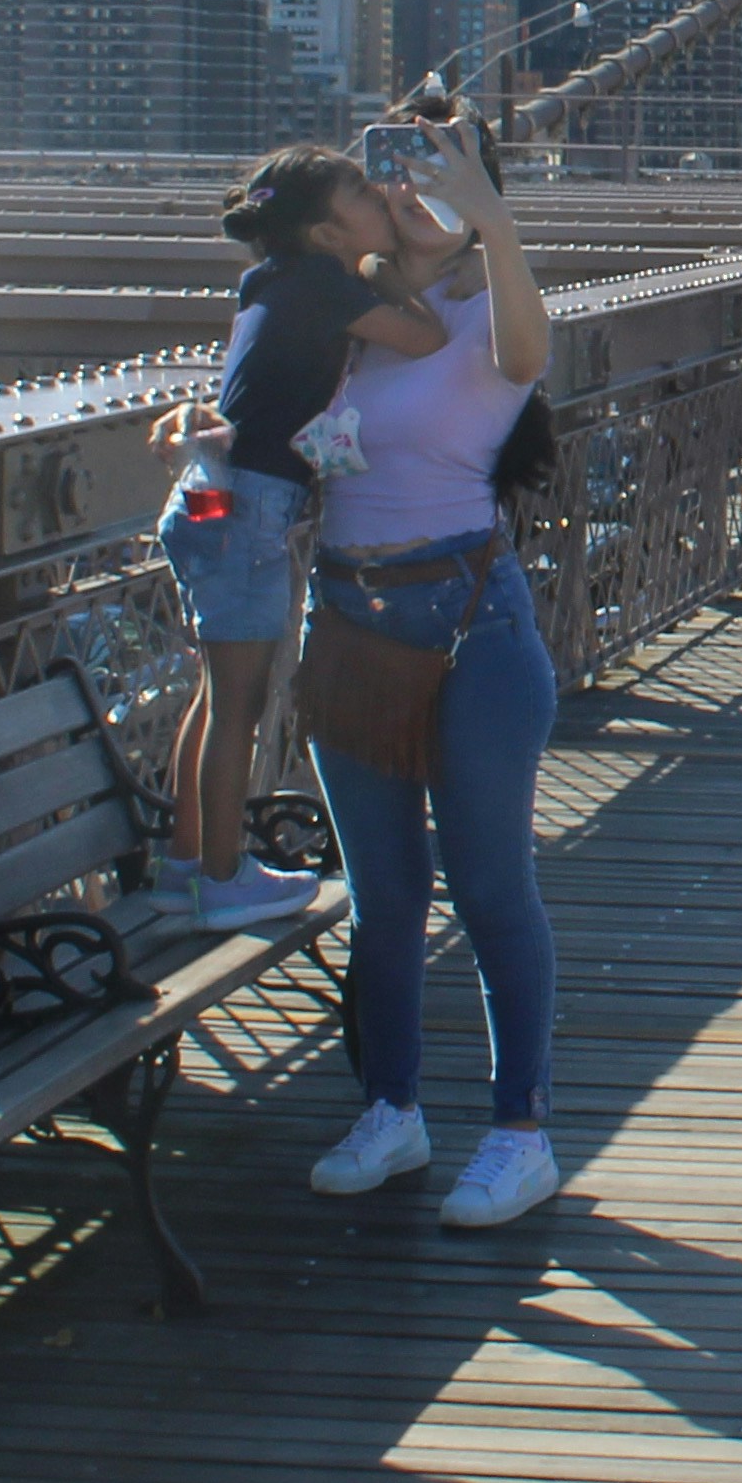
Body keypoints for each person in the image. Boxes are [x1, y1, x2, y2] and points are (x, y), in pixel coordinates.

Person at [298, 108, 568, 1232]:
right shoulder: (340, 318)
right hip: (349, 619)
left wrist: (491, 216)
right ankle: (392, 1108)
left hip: (469, 628)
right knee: (383, 899)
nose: (411, 190)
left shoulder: (484, 313)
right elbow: (293, 432)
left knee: (492, 887)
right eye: (396, 169)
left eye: (440, 174)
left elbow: (527, 355)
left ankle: (520, 1134)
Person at [152, 148, 448, 927]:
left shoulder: (272, 280)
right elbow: (426, 338)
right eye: (360, 189)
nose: (377, 193)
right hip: (251, 507)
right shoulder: (326, 285)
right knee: (240, 706)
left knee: (216, 698)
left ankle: (184, 860)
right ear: (325, 232)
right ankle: (223, 881)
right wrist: (388, 269)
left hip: (211, 496)